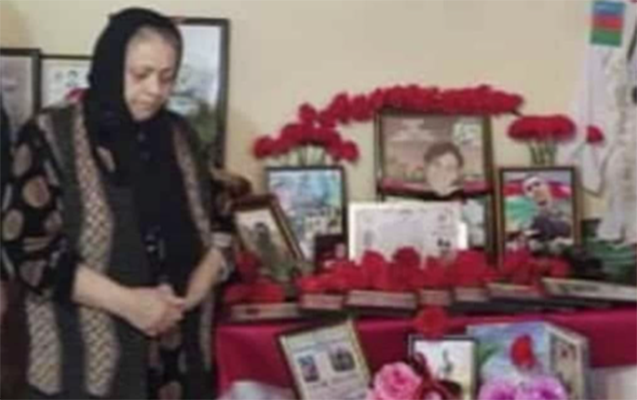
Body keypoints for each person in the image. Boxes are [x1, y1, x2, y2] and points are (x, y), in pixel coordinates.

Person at [0, 8, 237, 400]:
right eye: (141, 74)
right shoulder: (51, 135)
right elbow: (27, 248)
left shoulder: (180, 135)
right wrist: (130, 304)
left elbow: (222, 219)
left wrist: (199, 284)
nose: (155, 90)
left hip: (180, 363)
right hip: (82, 368)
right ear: (110, 67)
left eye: (167, 77)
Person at [522, 175, 572, 246]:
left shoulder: (568, 205)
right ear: (527, 195)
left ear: (547, 186)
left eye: (537, 184)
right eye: (529, 189)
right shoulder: (528, 220)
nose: (535, 189)